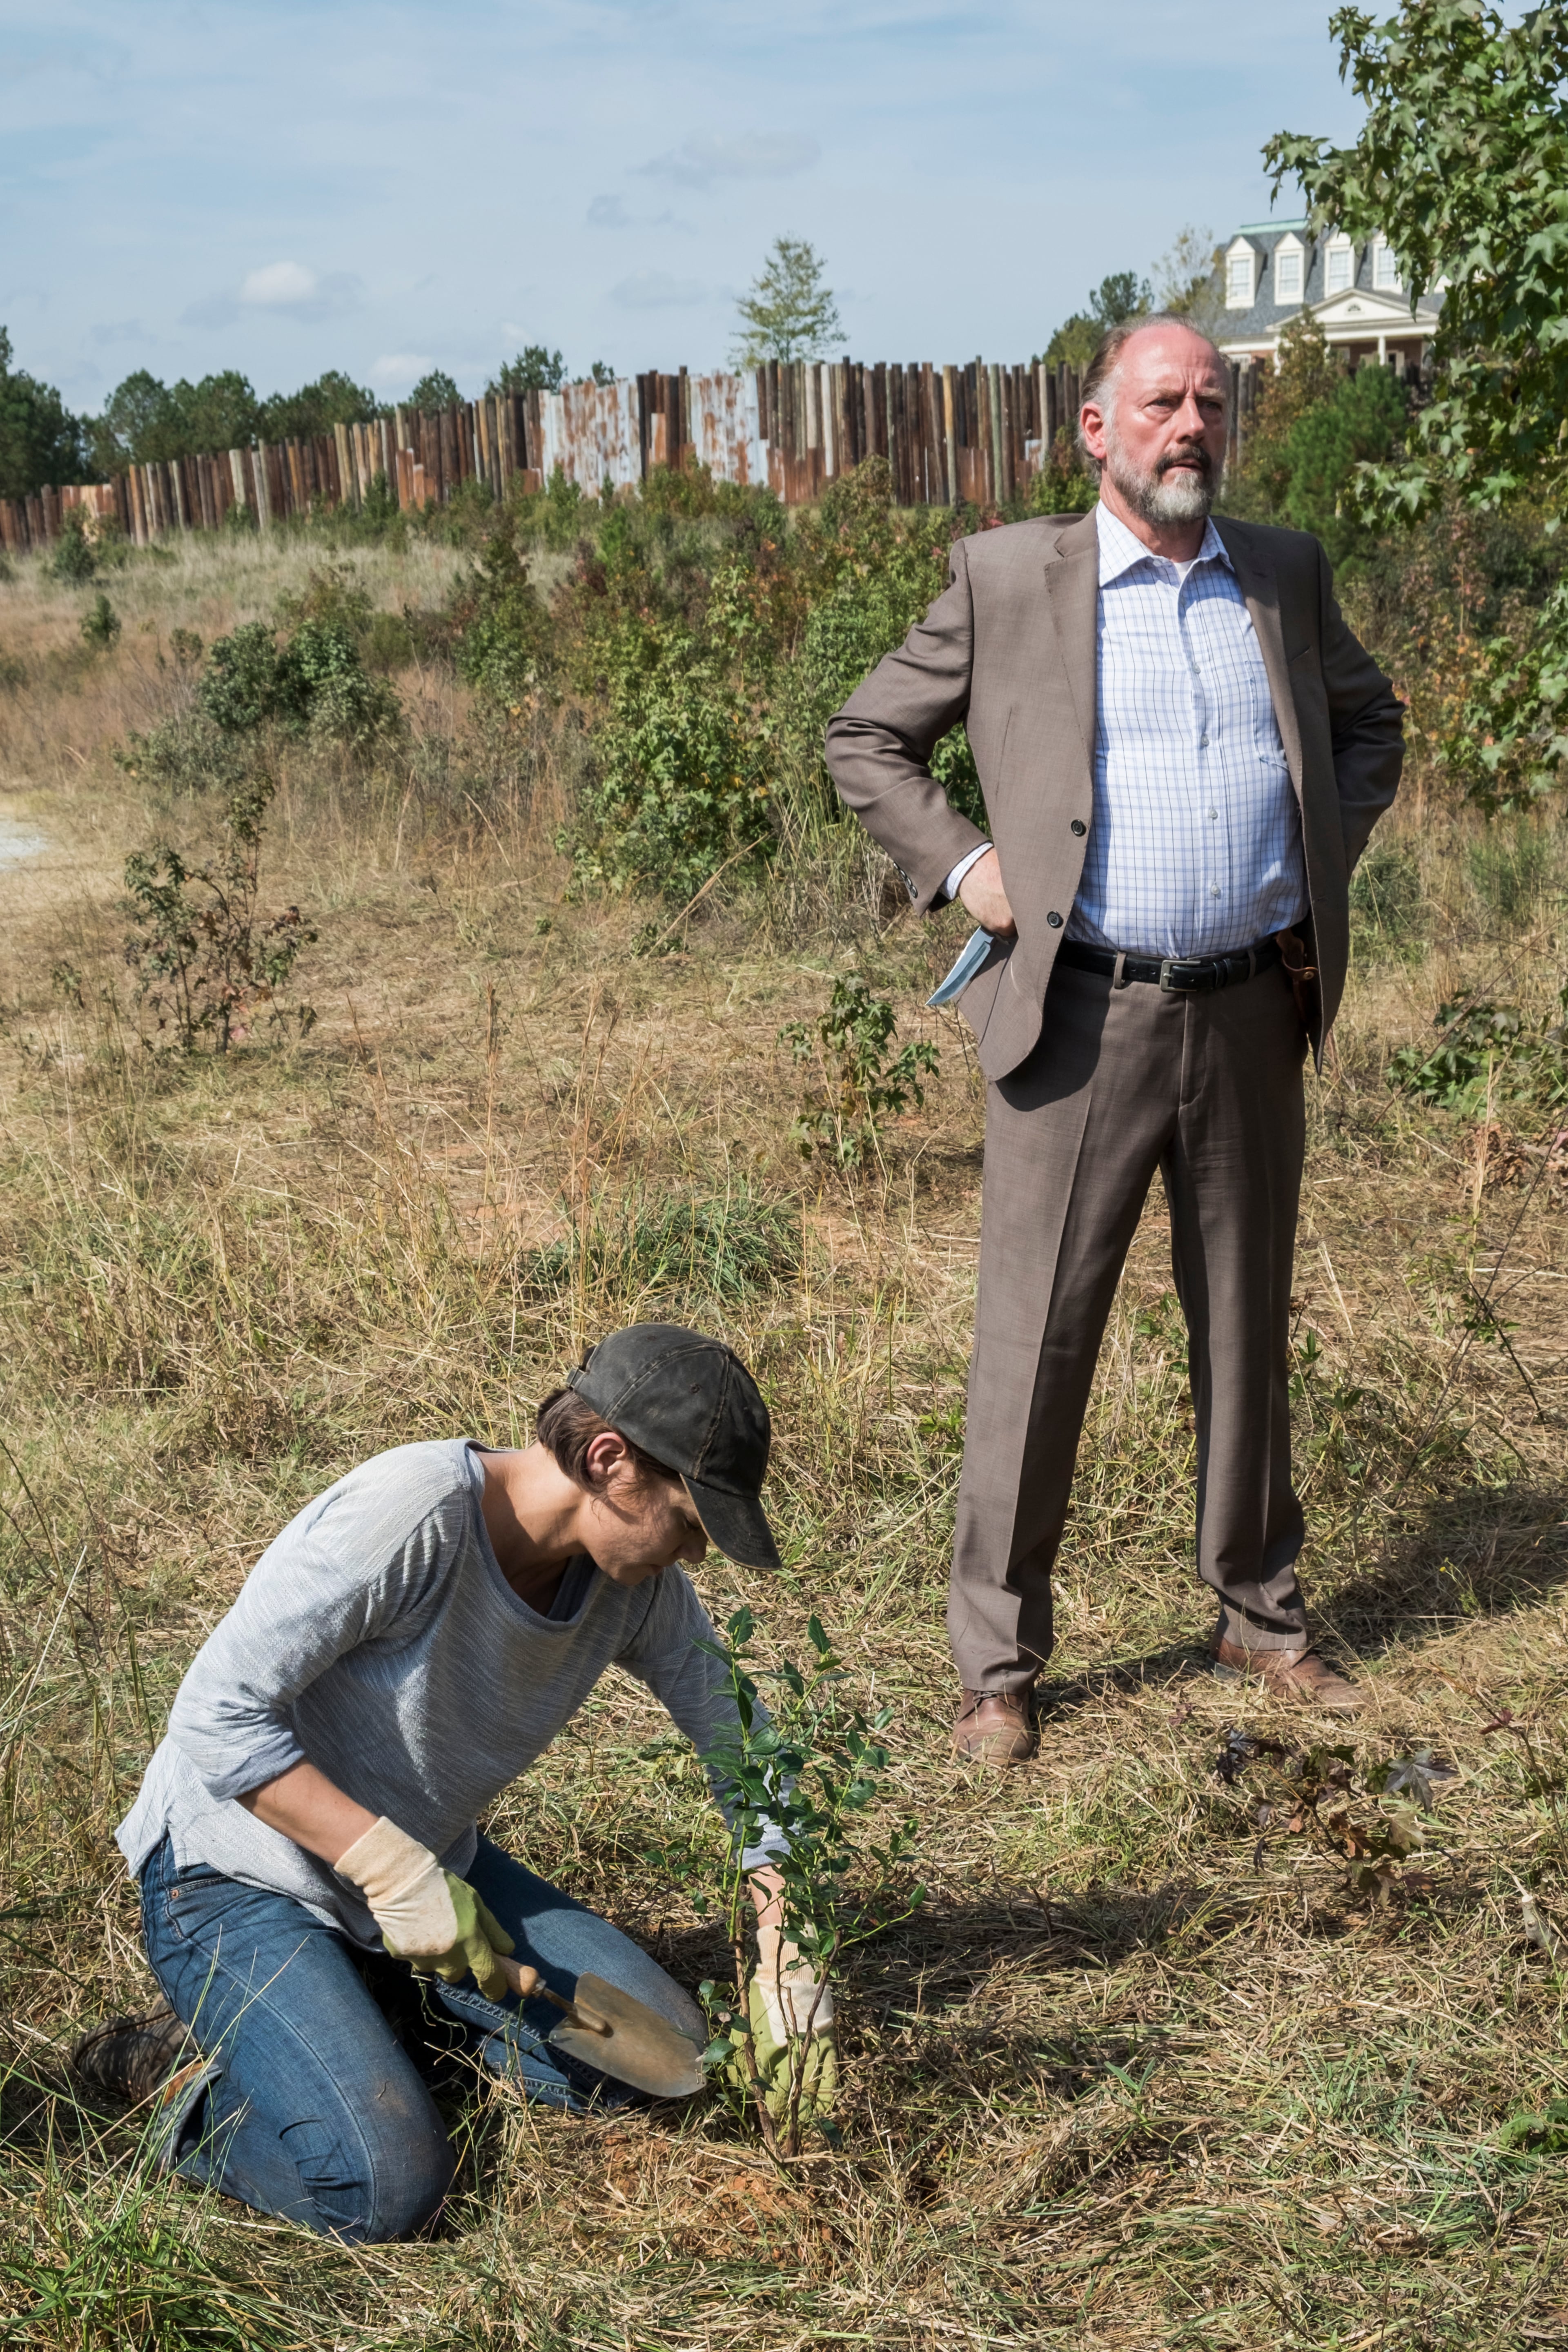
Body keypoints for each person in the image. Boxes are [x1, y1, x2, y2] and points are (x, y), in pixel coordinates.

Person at [825, 317, 1404, 1764]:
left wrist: (1312, 884)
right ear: (1098, 430)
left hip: (1251, 1012)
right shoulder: (1009, 576)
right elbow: (867, 741)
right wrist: (969, 871)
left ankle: (1259, 1616)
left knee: (1247, 1328)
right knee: (1037, 1339)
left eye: (1212, 402)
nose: (1191, 426)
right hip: (1080, 1016)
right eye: (1162, 403)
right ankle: (999, 1666)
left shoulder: (1281, 573)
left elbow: (1370, 728)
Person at [74, 1325, 829, 2241]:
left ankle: (365, 2013)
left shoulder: (636, 1588)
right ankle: (185, 2088)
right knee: (387, 2189)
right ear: (608, 1461)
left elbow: (748, 1750)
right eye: (690, 1523)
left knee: (664, 2059)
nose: (696, 1557)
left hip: (426, 1873)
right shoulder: (416, 1511)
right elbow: (215, 1716)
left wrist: (788, 1952)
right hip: (235, 1877)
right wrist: (393, 1873)